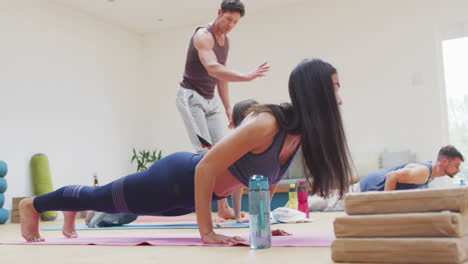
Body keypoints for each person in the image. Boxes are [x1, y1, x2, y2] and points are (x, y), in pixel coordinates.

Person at [19, 58, 353, 244]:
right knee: (100, 197)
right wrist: (206, 234)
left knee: (98, 198)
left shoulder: (298, 136)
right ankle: (33, 205)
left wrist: (261, 226)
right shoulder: (267, 124)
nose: (339, 98)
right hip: (176, 178)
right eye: (334, 88)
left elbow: (259, 182)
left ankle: (69, 207)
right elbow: (206, 168)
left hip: (189, 197)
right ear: (315, 91)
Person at [84, 99, 260, 228]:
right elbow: (214, 177)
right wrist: (215, 217)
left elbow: (238, 183)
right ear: (238, 124)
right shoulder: (234, 144)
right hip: (176, 180)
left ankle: (105, 210)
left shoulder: (250, 147)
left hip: (184, 196)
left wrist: (237, 216)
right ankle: (98, 205)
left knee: (140, 206)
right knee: (140, 198)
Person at [176, 0, 269, 220]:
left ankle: (224, 208)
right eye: (228, 19)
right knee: (205, 154)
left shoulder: (225, 41)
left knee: (226, 152)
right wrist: (246, 76)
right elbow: (212, 67)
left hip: (211, 101)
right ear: (219, 13)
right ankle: (205, 211)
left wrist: (228, 107)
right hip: (191, 98)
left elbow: (221, 75)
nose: (230, 25)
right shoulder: (203, 36)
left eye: (235, 22)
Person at [305, 145, 465, 211]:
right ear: (444, 162)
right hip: (369, 187)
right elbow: (392, 176)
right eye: (456, 165)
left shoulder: (427, 172)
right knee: (329, 203)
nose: (458, 170)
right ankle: (294, 208)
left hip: (370, 183)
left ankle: (298, 205)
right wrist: (386, 208)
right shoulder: (424, 173)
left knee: (331, 197)